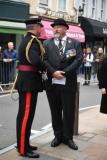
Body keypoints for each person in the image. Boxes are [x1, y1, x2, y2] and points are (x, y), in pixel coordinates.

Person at [43, 18, 83, 150]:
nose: (56, 29)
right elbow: (44, 60)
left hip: (68, 83)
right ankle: (58, 136)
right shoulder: (47, 44)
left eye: (59, 27)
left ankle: (68, 138)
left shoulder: (75, 43)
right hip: (52, 83)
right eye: (54, 27)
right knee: (55, 111)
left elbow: (78, 60)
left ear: (65, 29)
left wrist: (64, 72)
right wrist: (53, 72)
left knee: (68, 111)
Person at [15, 17, 45, 158]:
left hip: (27, 81)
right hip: (29, 82)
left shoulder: (26, 39)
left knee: (24, 115)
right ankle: (23, 149)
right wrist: (48, 68)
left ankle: (24, 143)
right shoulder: (32, 41)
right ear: (35, 27)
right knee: (26, 116)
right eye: (40, 27)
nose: (41, 29)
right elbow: (35, 60)